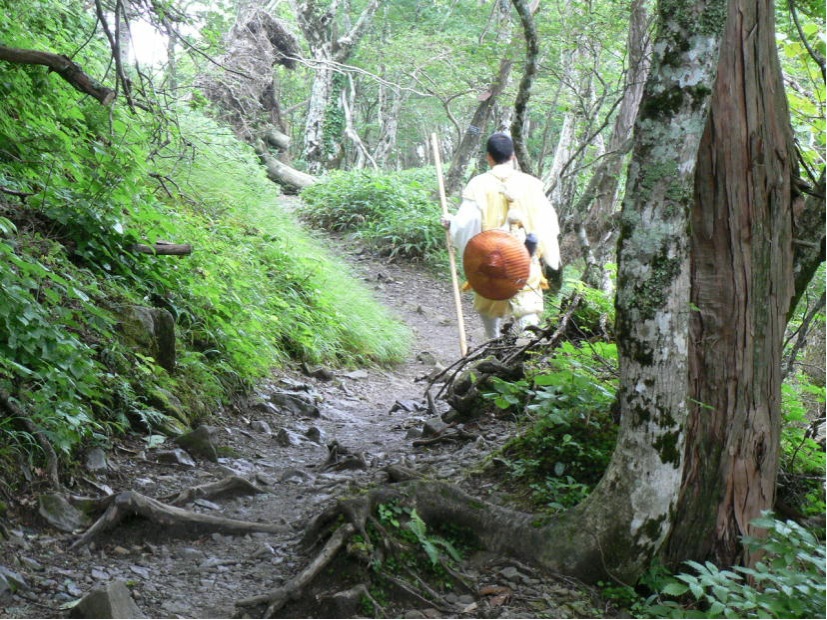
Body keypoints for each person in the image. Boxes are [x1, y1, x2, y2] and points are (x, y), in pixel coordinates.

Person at [443, 133, 561, 339]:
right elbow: (547, 221)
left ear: (489, 157)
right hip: (524, 255)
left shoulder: (478, 184)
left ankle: (494, 343)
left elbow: (466, 225)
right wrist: (548, 255)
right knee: (527, 306)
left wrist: (451, 224)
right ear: (513, 155)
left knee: (489, 300)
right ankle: (528, 350)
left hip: (491, 259)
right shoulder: (531, 184)